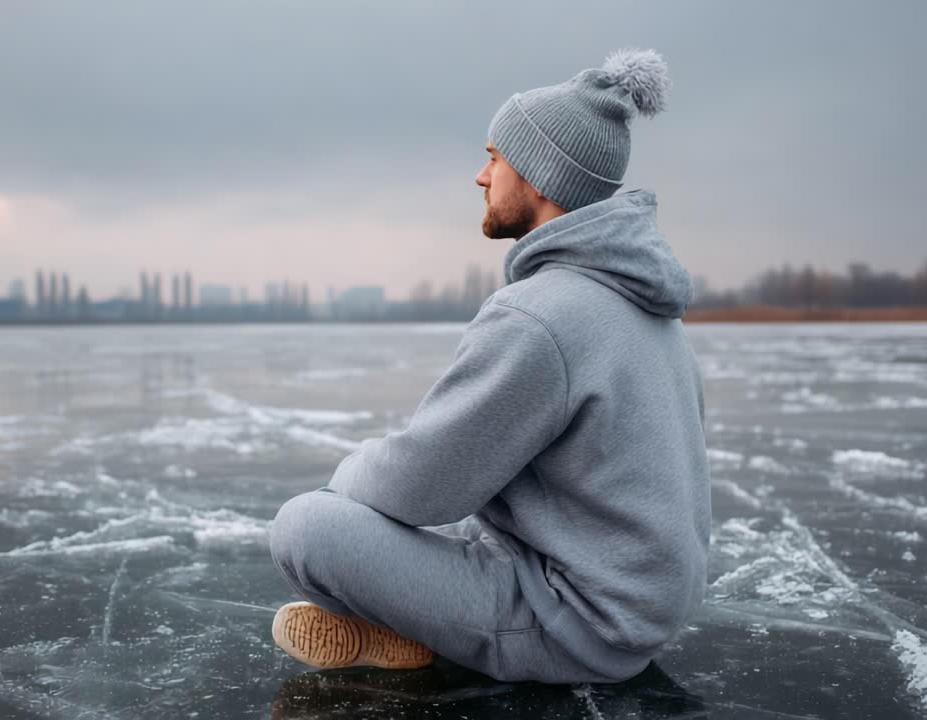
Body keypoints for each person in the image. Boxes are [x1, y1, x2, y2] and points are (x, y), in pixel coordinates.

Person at [267, 46, 710, 684]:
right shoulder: (650, 311)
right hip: (629, 606)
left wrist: (344, 483)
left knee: (306, 529)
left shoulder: (541, 316)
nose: (481, 177)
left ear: (535, 176)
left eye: (494, 158)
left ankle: (410, 635)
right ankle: (409, 631)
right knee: (457, 518)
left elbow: (422, 484)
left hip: (578, 623)